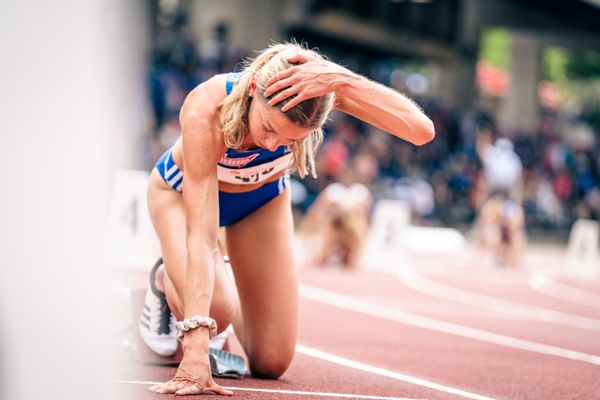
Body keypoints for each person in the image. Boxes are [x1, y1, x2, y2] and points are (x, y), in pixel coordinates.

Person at [141, 42, 435, 396]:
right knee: (216, 312)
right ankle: (164, 278)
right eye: (268, 127)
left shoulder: (317, 92)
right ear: (253, 92)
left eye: (291, 138)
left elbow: (420, 131)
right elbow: (203, 237)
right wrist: (196, 348)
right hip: (178, 195)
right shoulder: (208, 107)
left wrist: (342, 80)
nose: (272, 145)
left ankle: (213, 287)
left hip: (261, 199)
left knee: (272, 361)